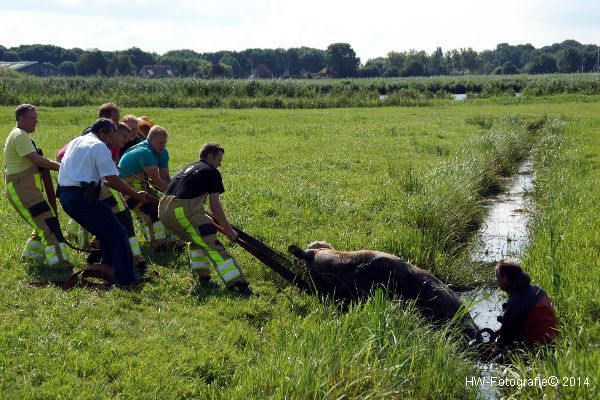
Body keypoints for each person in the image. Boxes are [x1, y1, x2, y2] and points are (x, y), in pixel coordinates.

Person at [58, 118, 149, 287]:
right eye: (110, 137)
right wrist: (136, 194)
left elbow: (104, 179)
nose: (111, 142)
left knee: (106, 234)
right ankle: (127, 281)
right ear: (102, 132)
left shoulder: (77, 140)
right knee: (119, 234)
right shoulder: (99, 146)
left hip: (66, 197)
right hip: (82, 197)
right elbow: (112, 179)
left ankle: (107, 273)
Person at [158, 142, 251, 295]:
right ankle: (237, 285)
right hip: (181, 212)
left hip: (164, 210)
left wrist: (205, 216)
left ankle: (202, 278)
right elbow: (215, 206)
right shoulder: (211, 172)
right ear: (210, 156)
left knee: (197, 239)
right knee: (212, 244)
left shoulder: (191, 167)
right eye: (219, 160)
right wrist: (229, 231)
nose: (220, 164)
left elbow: (187, 195)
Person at [4, 104, 72, 271]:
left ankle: (30, 259)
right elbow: (36, 159)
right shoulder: (19, 135)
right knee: (48, 224)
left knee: (43, 223)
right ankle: (60, 265)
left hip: (28, 190)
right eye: (33, 118)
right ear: (22, 119)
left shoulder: (21, 135)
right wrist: (61, 167)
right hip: (22, 190)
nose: (36, 122)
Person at [118, 125, 181, 251]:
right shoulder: (144, 152)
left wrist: (175, 194)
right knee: (150, 210)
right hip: (125, 187)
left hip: (143, 185)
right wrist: (175, 195)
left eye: (164, 142)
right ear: (149, 140)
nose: (162, 145)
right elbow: (156, 181)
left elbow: (165, 177)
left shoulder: (163, 152)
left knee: (165, 207)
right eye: (159, 143)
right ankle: (158, 245)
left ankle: (174, 241)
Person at [492, 259, 558, 356]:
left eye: (497, 277)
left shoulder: (514, 302)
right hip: (554, 340)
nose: (496, 281)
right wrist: (499, 332)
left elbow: (506, 338)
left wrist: (493, 353)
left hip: (537, 347)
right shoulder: (538, 290)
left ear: (505, 278)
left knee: (498, 358)